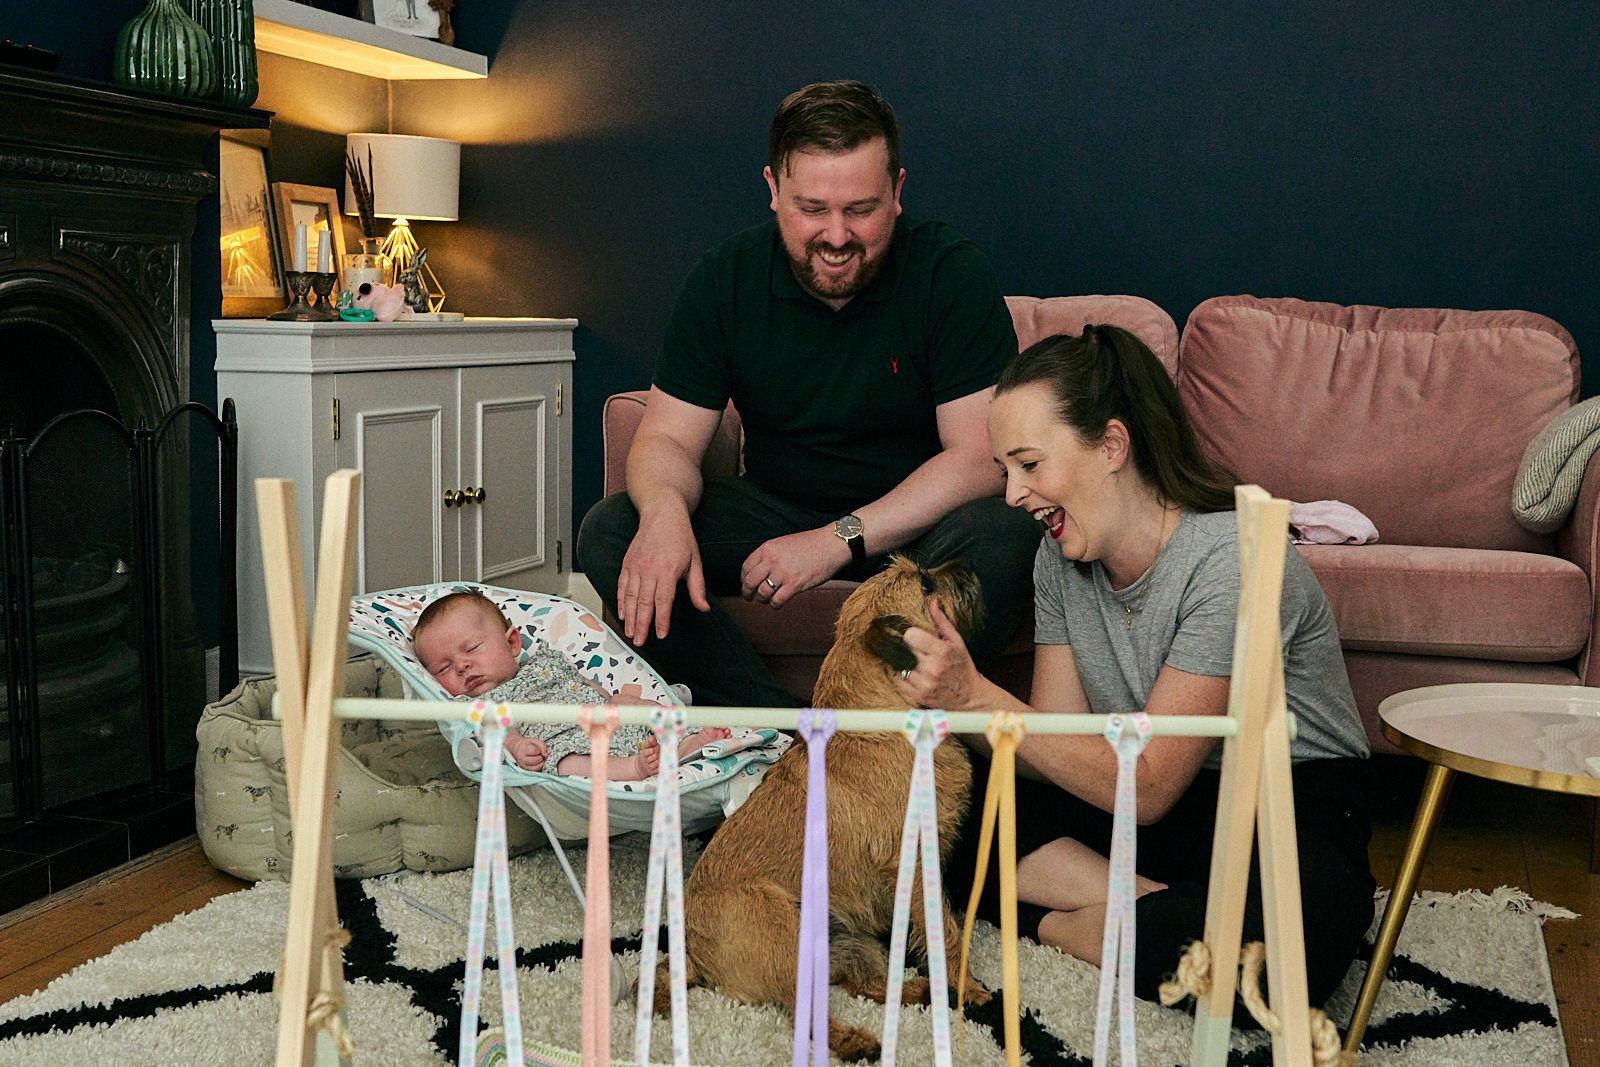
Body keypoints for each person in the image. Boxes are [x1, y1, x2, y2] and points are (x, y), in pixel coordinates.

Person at [895, 325, 1375, 1008]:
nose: (1011, 494)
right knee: (960, 811)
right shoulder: (1059, 558)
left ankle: (1064, 925)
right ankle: (1166, 909)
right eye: (1006, 470)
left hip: (1285, 805)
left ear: (1113, 445)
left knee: (1279, 965)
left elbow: (1149, 783)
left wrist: (975, 696)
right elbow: (1051, 744)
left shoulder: (1229, 556)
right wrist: (945, 699)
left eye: (1029, 464)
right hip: (1158, 820)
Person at [576, 80, 1041, 709]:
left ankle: (871, 736)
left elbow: (981, 458)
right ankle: (777, 733)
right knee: (613, 528)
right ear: (772, 190)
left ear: (898, 192)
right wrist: (664, 516)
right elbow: (664, 440)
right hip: (776, 512)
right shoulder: (725, 281)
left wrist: (835, 540)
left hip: (919, 530)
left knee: (1008, 530)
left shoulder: (950, 273)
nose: (837, 236)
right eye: (812, 209)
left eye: (861, 209)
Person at [411, 591, 729, 780]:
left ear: (512, 643)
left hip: (611, 719)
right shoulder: (482, 703)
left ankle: (686, 740)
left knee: (629, 703)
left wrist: (609, 698)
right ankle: (633, 768)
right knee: (563, 762)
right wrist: (518, 747)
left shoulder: (544, 659)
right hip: (567, 741)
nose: (462, 666)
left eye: (471, 649)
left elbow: (579, 681)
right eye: (444, 667)